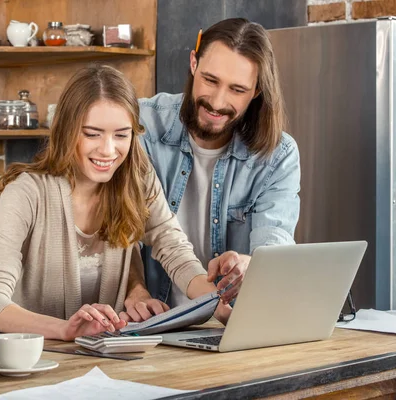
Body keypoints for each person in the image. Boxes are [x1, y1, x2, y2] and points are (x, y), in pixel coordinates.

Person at [0, 65, 229, 342]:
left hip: (105, 359)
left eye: (121, 135)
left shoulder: (138, 181)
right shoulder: (27, 192)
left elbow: (176, 252)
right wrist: (65, 330)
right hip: (32, 361)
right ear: (67, 130)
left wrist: (219, 303)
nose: (108, 150)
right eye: (92, 134)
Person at [122, 18, 301, 322]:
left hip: (229, 324)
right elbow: (119, 229)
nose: (218, 102)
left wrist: (251, 265)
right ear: (193, 63)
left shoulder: (277, 155)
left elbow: (275, 248)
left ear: (256, 91)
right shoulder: (141, 128)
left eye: (237, 89)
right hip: (153, 321)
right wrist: (134, 288)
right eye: (211, 80)